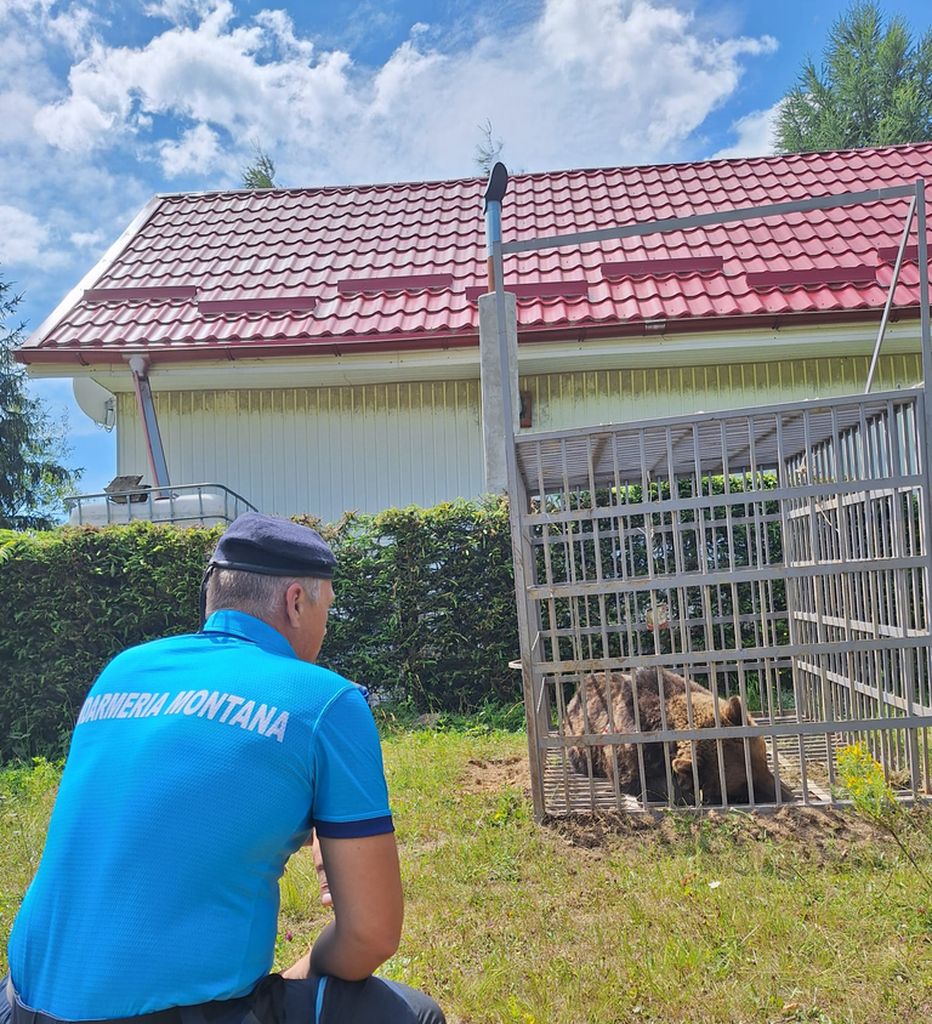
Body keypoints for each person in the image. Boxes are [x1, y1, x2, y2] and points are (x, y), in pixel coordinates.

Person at [2, 512, 444, 1024]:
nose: (325, 630)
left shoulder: (123, 670)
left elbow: (182, 805)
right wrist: (298, 975)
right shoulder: (325, 701)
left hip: (19, 1004)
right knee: (415, 1015)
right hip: (170, 1017)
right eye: (327, 608)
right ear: (295, 602)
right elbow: (370, 934)